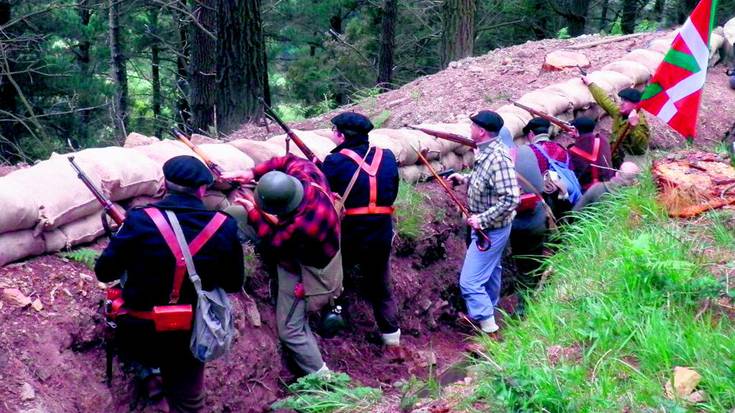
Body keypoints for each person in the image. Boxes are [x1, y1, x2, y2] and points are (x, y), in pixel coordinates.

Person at [95, 155, 245, 413]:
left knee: (122, 318)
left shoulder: (139, 220)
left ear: (165, 184)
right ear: (202, 189)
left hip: (141, 327)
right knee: (189, 402)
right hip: (191, 331)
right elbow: (233, 283)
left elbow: (104, 271)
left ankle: (148, 373)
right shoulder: (224, 226)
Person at [223, 155, 341, 376]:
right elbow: (287, 159)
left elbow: (274, 241)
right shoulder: (308, 175)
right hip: (324, 253)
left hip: (308, 272)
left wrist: (252, 211)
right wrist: (252, 173)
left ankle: (324, 381)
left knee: (290, 330)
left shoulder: (302, 226)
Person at [320, 112, 403, 354]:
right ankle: (392, 340)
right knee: (381, 286)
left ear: (341, 135)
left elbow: (326, 197)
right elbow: (393, 190)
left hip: (351, 234)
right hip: (380, 231)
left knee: (337, 281)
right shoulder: (386, 156)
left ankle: (335, 333)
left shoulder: (334, 162)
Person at [448, 110, 520, 333]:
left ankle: (489, 330)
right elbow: (487, 181)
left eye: (472, 126)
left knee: (469, 282)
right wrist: (465, 178)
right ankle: (488, 312)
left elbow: (511, 197)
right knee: (491, 272)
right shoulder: (487, 153)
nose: (469, 130)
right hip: (486, 227)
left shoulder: (498, 158)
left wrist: (482, 219)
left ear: (481, 131)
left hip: (491, 229)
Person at [582, 75, 650, 167]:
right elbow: (605, 100)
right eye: (622, 99)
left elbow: (640, 149)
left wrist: (633, 127)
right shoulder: (620, 113)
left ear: (636, 105)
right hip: (618, 155)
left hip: (633, 161)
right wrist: (590, 84)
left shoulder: (640, 123)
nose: (621, 103)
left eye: (626, 101)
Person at [567, 117, 615, 192]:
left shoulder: (572, 151)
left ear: (576, 130)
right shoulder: (603, 139)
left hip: (588, 189)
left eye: (572, 130)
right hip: (608, 183)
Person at [573, 161, 641, 211]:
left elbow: (575, 212)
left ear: (617, 174)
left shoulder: (596, 188)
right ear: (634, 182)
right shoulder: (631, 201)